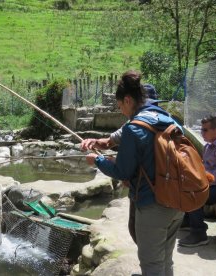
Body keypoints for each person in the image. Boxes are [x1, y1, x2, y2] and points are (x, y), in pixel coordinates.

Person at [81, 70, 183, 275]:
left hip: (153, 204)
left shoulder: (134, 128)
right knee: (165, 258)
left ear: (127, 100)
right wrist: (103, 143)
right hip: (178, 199)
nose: (121, 111)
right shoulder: (169, 119)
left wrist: (98, 160)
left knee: (151, 264)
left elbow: (122, 171)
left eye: (120, 106)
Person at [178, 115, 216, 247]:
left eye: (205, 130)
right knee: (185, 185)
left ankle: (199, 233)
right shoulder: (209, 145)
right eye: (202, 129)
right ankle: (189, 220)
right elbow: (204, 167)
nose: (201, 133)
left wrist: (199, 182)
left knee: (196, 194)